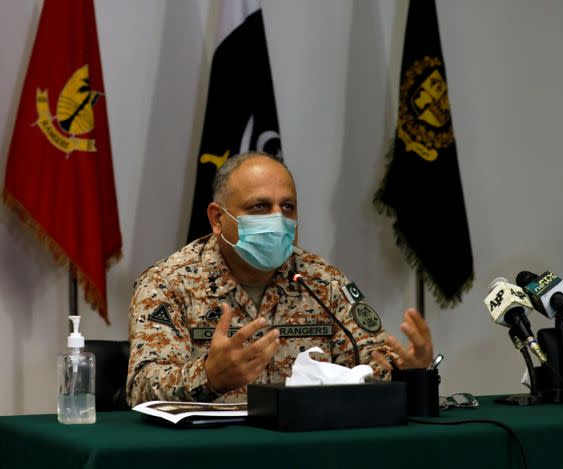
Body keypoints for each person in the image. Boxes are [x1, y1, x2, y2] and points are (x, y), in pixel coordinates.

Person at [127, 151, 432, 405]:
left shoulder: (321, 280)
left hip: (306, 448)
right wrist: (209, 376)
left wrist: (410, 372)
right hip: (211, 452)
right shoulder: (167, 284)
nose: (278, 219)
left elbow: (370, 364)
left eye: (287, 207)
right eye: (259, 207)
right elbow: (141, 389)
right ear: (218, 219)